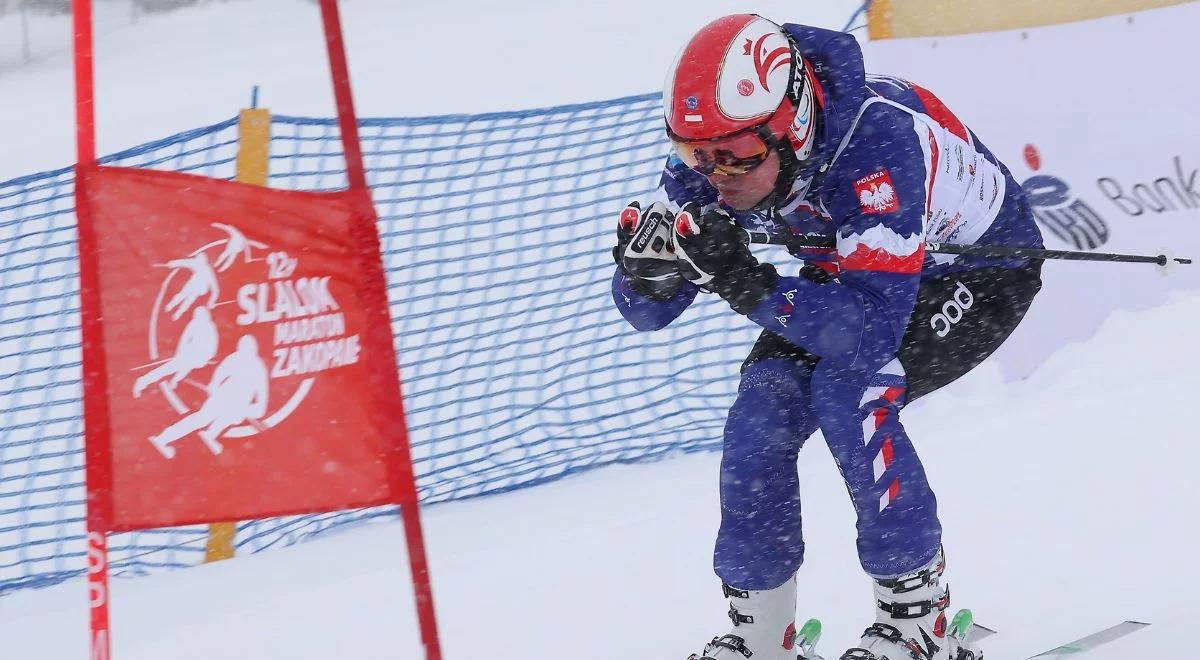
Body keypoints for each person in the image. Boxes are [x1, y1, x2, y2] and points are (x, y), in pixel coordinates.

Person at [610, 14, 1043, 660]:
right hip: (857, 270)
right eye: (693, 154)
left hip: (974, 273)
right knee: (761, 411)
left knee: (849, 390)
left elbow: (866, 332)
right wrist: (648, 276)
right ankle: (761, 635)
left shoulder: (879, 144)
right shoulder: (717, 151)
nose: (715, 177)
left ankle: (918, 623)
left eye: (737, 159)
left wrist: (747, 282)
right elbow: (643, 314)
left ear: (794, 130)